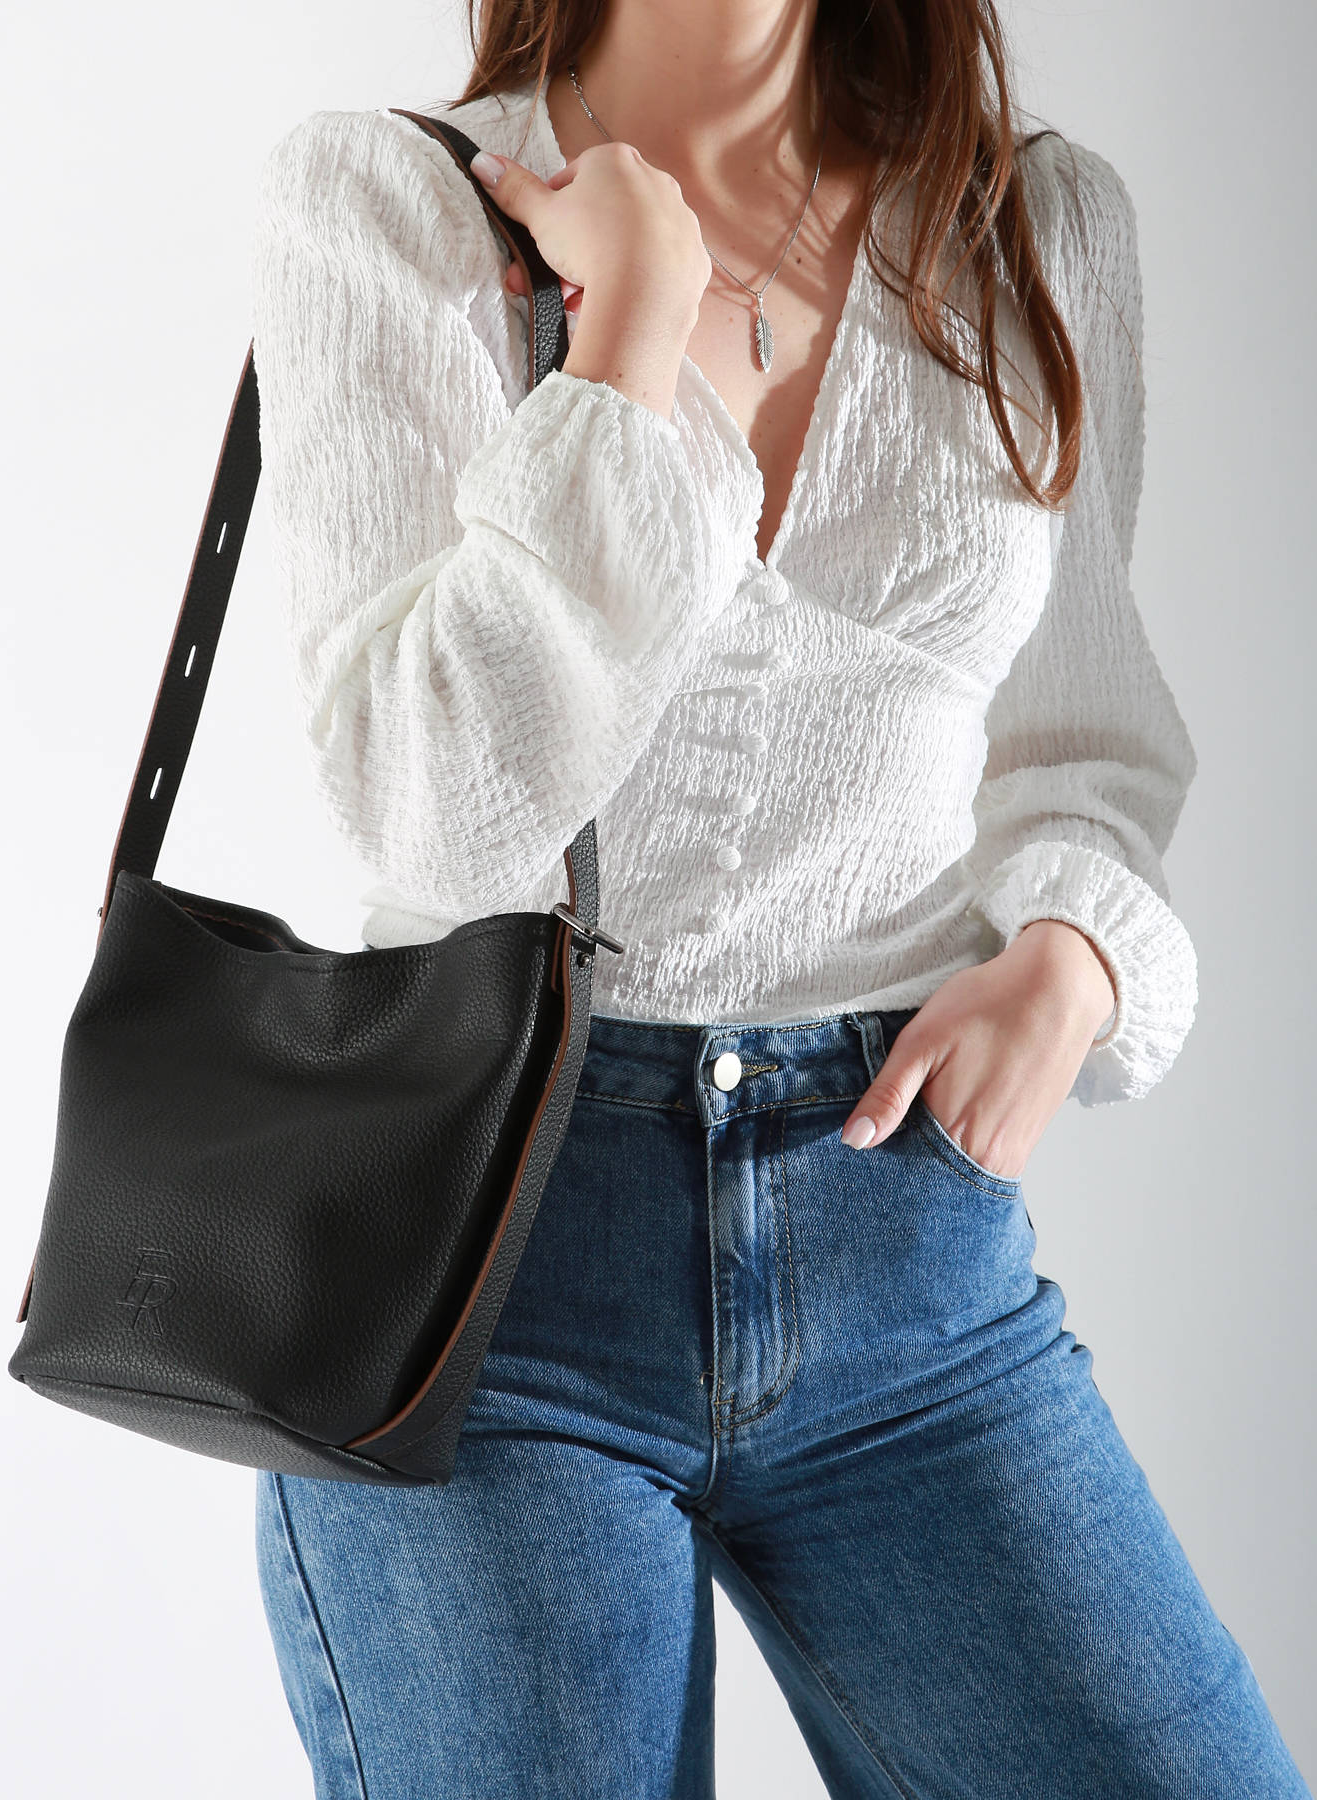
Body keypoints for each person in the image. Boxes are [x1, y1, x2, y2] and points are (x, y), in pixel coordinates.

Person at [247, 2, 1312, 1795]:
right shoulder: (393, 202)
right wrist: (626, 342)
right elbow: (432, 809)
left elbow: (1088, 741)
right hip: (482, 1279)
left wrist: (1077, 955)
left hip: (909, 1265)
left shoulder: (1035, 228)